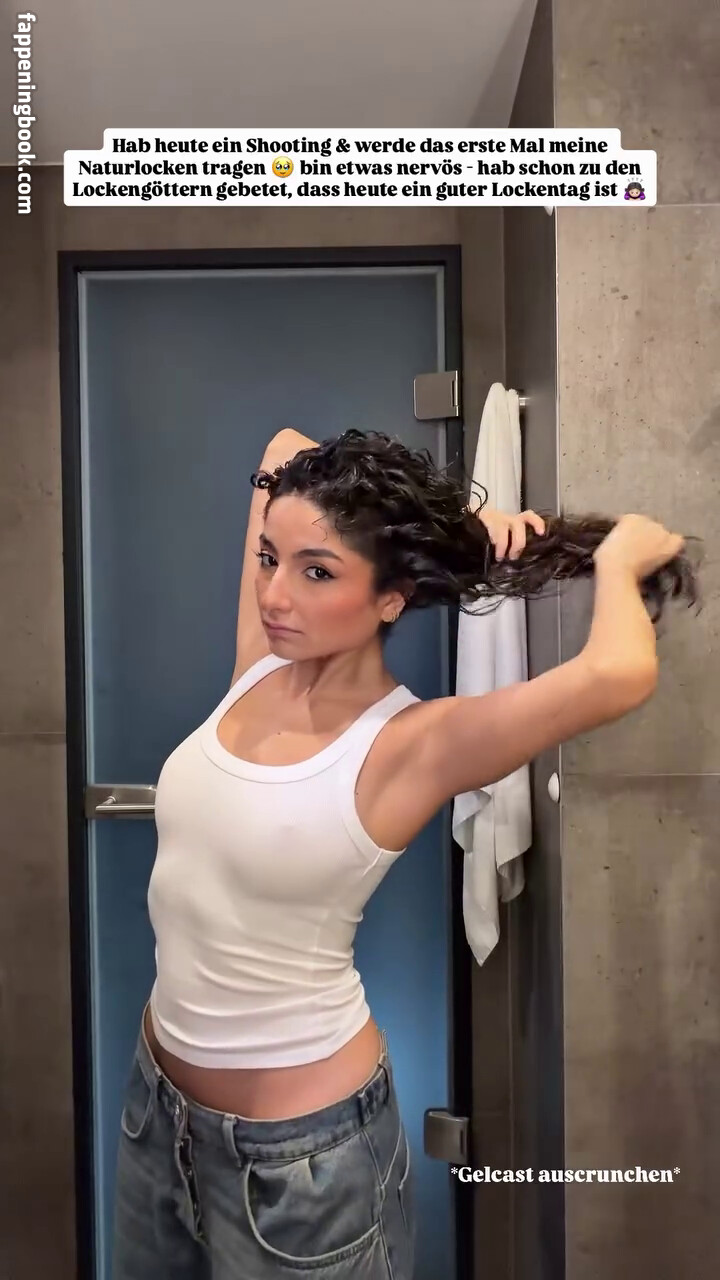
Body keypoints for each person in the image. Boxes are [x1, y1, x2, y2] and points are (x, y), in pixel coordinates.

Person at [113, 427, 696, 1280]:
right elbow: (284, 446)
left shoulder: (409, 744)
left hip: (300, 1163)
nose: (274, 592)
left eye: (317, 572)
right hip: (155, 1115)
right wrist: (464, 516)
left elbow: (618, 674)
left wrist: (621, 558)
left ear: (392, 598)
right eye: (270, 558)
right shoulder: (260, 665)